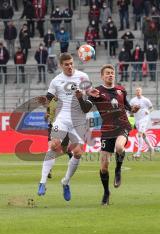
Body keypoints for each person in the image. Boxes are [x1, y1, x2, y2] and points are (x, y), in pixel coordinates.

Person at [75, 64, 139, 205]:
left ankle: (118, 170)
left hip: (123, 126)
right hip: (107, 130)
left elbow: (127, 106)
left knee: (120, 147)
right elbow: (86, 109)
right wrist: (80, 98)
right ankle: (106, 193)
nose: (110, 75)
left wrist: (133, 108)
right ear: (102, 76)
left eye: (112, 73)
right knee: (103, 167)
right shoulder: (96, 92)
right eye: (108, 73)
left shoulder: (121, 90)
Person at [37, 53, 93, 201]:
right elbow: (49, 99)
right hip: (62, 118)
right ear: (61, 65)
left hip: (79, 120)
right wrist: (47, 111)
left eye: (71, 63)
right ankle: (42, 182)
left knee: (78, 153)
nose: (69, 66)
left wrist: (86, 96)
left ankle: (65, 182)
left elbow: (90, 98)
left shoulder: (83, 77)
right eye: (66, 64)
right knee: (54, 145)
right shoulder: (56, 81)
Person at [130, 87, 154, 158]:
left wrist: (148, 112)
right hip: (137, 119)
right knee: (143, 135)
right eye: (137, 90)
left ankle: (138, 153)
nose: (138, 91)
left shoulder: (146, 100)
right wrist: (133, 110)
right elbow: (130, 109)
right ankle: (151, 147)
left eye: (139, 90)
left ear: (141, 91)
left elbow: (151, 108)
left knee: (139, 134)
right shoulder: (133, 100)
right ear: (135, 92)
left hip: (144, 118)